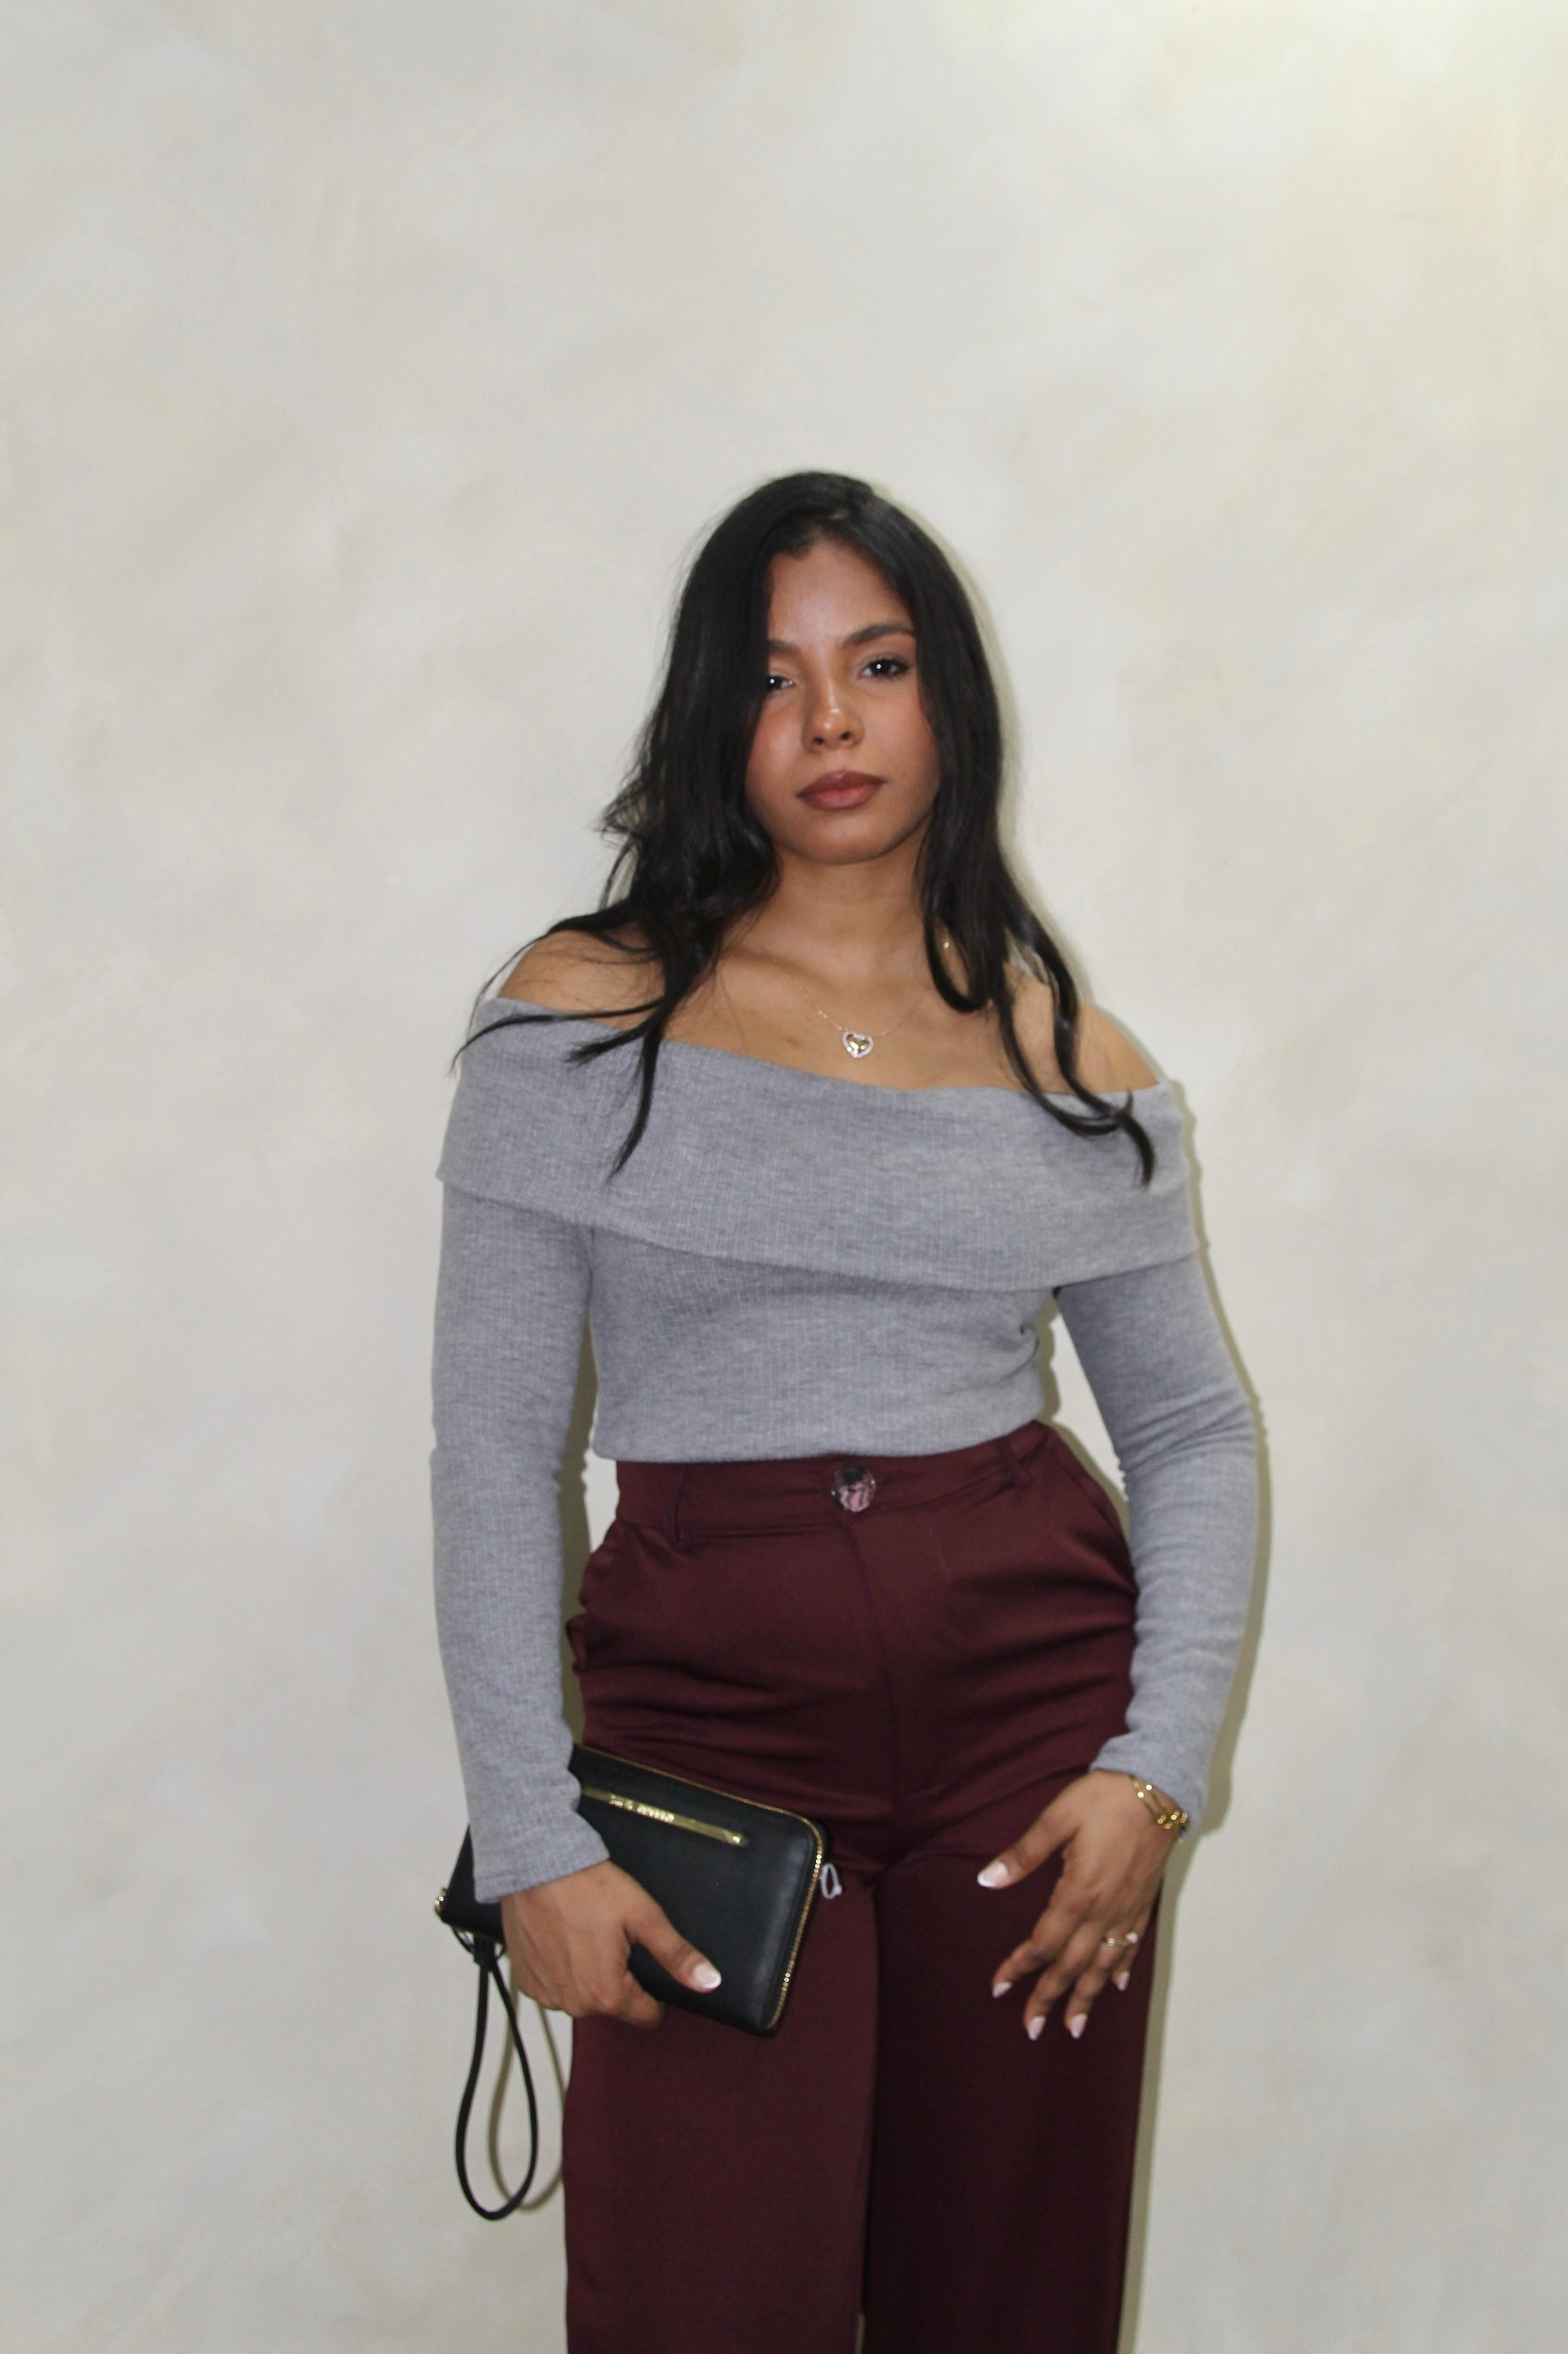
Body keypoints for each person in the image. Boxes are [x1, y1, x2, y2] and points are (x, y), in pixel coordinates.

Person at [429, 470, 1260, 2354]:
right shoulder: (581, 1021)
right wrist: (532, 1837)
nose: (828, 722)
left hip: (1032, 1736)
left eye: (877, 666)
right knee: (703, 2303)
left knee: (1011, 2299)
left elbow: (1194, 1435)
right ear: (713, 719)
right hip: (712, 1730)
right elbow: (493, 1452)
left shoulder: (1072, 1065)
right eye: (774, 675)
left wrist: (1156, 1771)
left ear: (947, 700)